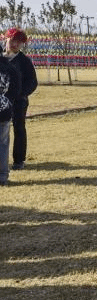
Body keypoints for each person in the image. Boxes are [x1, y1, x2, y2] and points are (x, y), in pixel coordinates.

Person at [3, 28, 37, 170]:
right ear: (6, 39)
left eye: (19, 42)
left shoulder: (24, 61)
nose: (15, 44)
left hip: (18, 102)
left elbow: (32, 82)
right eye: (13, 40)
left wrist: (21, 94)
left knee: (19, 128)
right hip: (1, 101)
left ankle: (18, 160)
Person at [0, 50, 21, 185]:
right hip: (4, 110)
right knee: (2, 144)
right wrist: (8, 100)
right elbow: (16, 88)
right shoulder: (9, 68)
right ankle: (2, 176)